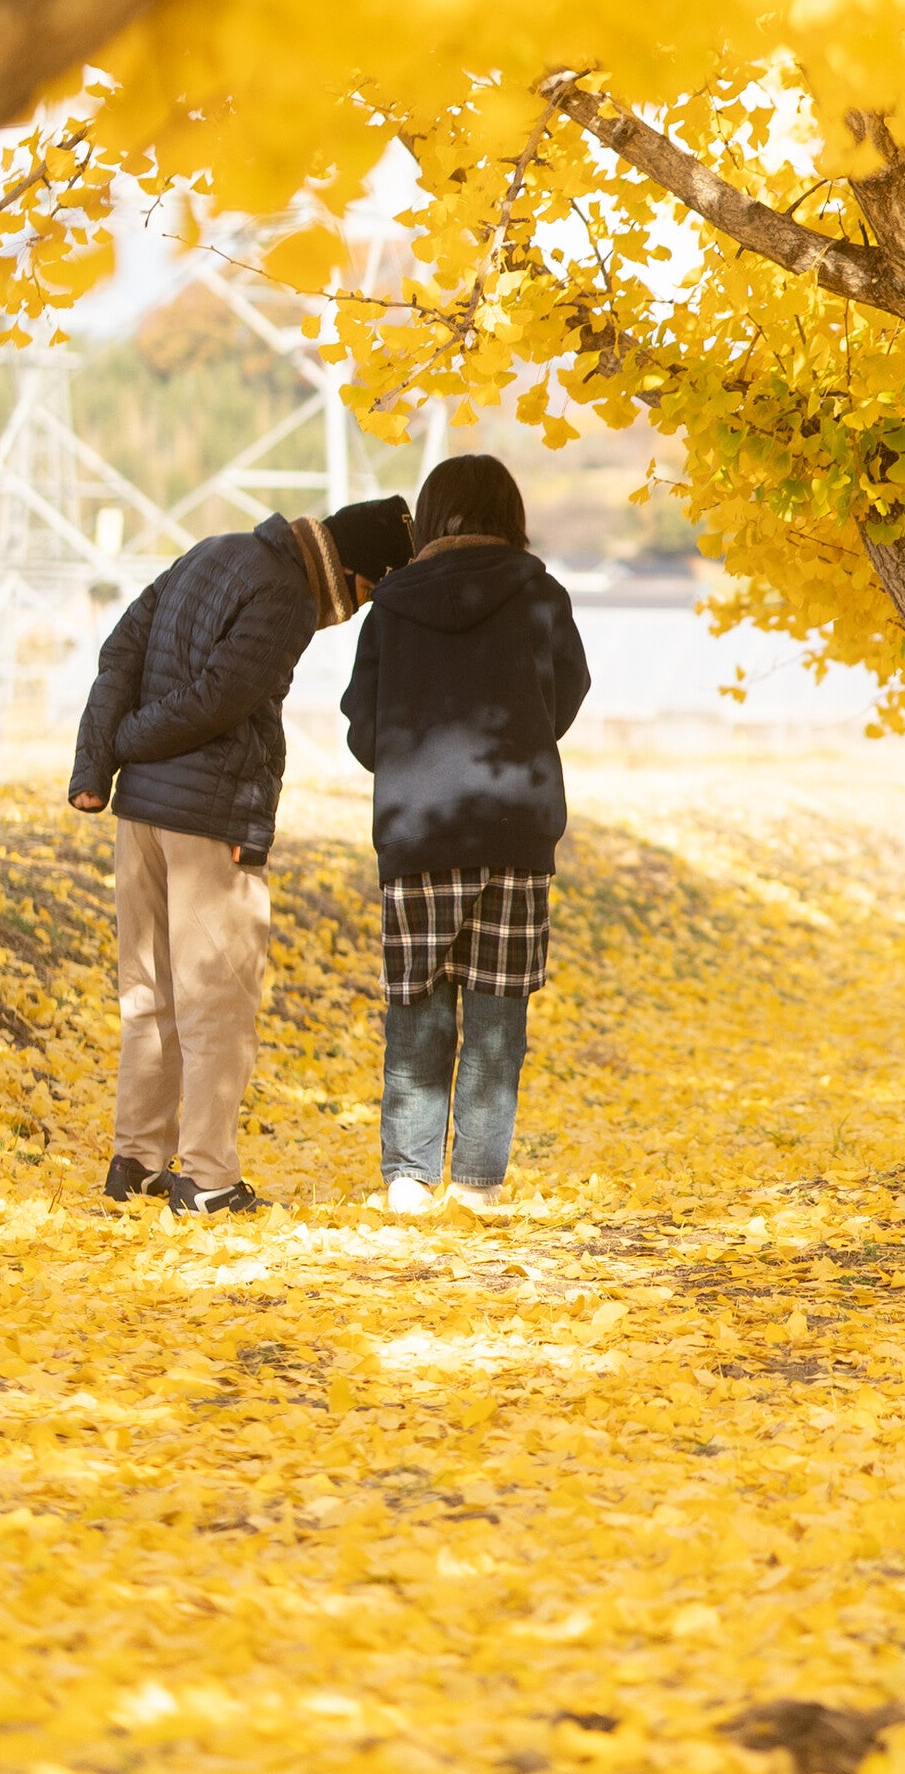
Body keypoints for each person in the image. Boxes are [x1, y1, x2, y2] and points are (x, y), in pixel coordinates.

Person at [70, 495, 415, 1216]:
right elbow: (219, 699)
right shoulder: (288, 594)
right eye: (364, 599)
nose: (349, 618)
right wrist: (124, 743)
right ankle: (207, 1178)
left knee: (149, 994)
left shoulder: (211, 551)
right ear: (354, 575)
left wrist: (97, 764)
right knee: (216, 1002)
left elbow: (123, 648)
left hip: (141, 819)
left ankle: (135, 1161)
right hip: (209, 820)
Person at [341, 452, 588, 1215]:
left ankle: (408, 1180)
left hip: (418, 832)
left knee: (418, 1002)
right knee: (496, 1009)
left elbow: (363, 721)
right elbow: (568, 694)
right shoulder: (541, 594)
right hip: (515, 827)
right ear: (508, 514)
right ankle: (478, 1184)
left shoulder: (392, 604)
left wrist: (411, 768)